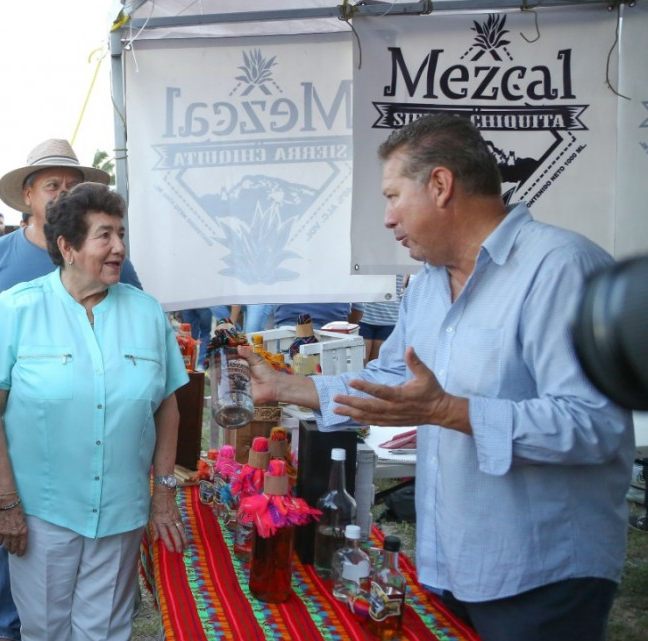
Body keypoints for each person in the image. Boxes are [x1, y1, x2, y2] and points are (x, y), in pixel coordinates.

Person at [240, 114, 632, 641]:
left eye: (393, 196)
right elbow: (389, 377)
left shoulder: (561, 268)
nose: (387, 218)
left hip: (541, 573)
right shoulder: (426, 284)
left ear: (441, 186)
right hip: (451, 561)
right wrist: (285, 388)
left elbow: (595, 425)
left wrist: (448, 411)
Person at [0, 182, 186, 641]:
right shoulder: (17, 308)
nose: (119, 248)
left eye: (121, 235)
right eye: (104, 236)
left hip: (121, 511)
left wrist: (164, 491)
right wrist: (6, 502)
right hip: (44, 512)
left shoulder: (146, 313)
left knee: (105, 631)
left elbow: (167, 405)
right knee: (45, 630)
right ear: (67, 246)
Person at [356, 274, 408, 362]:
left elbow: (404, 283)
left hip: (390, 319)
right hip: (364, 317)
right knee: (359, 366)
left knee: (377, 368)